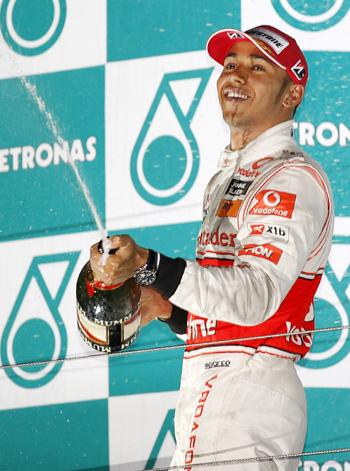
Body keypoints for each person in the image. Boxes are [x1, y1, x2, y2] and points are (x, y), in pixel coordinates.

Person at [90, 25, 334, 470]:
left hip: (248, 388)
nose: (236, 76)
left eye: (257, 67)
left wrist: (148, 263)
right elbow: (227, 311)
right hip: (217, 387)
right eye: (231, 64)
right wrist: (168, 309)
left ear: (291, 95)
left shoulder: (289, 178)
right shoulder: (227, 179)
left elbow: (256, 296)